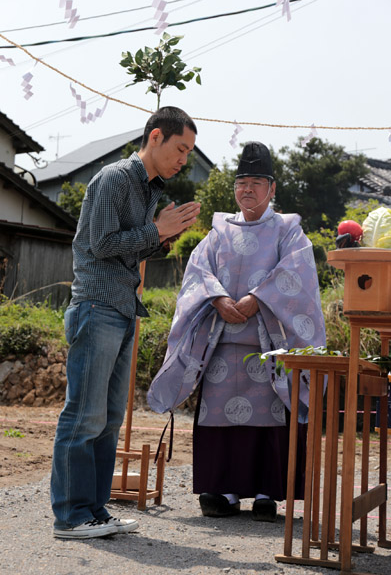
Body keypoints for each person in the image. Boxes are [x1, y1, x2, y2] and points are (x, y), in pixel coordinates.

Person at [148, 141, 326, 522]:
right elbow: (198, 272)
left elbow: (298, 273)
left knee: (268, 418)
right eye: (241, 182)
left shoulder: (288, 231)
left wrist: (257, 299)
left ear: (272, 188)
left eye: (256, 182)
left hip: (269, 345)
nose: (247, 189)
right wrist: (216, 299)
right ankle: (221, 490)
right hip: (222, 345)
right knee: (219, 419)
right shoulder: (218, 231)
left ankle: (266, 493)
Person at [51, 106, 201, 539]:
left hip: (121, 309)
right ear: (155, 137)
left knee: (109, 418)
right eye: (180, 148)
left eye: (188, 152)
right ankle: (71, 515)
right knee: (83, 416)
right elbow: (99, 244)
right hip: (96, 307)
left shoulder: (148, 190)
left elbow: (127, 250)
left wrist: (162, 236)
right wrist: (156, 232)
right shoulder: (115, 178)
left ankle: (94, 511)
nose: (184, 160)